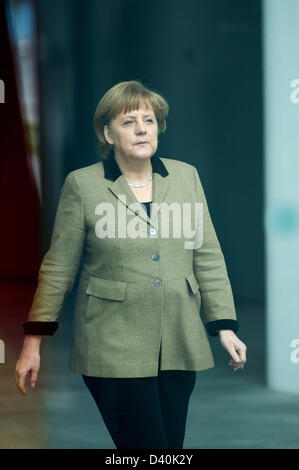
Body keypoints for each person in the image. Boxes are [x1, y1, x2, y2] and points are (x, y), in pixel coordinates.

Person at [15, 80, 247, 449]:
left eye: (149, 120)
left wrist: (224, 327)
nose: (142, 128)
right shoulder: (83, 185)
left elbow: (207, 255)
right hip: (112, 347)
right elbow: (59, 267)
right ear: (107, 133)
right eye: (128, 121)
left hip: (179, 343)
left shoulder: (186, 177)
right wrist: (33, 341)